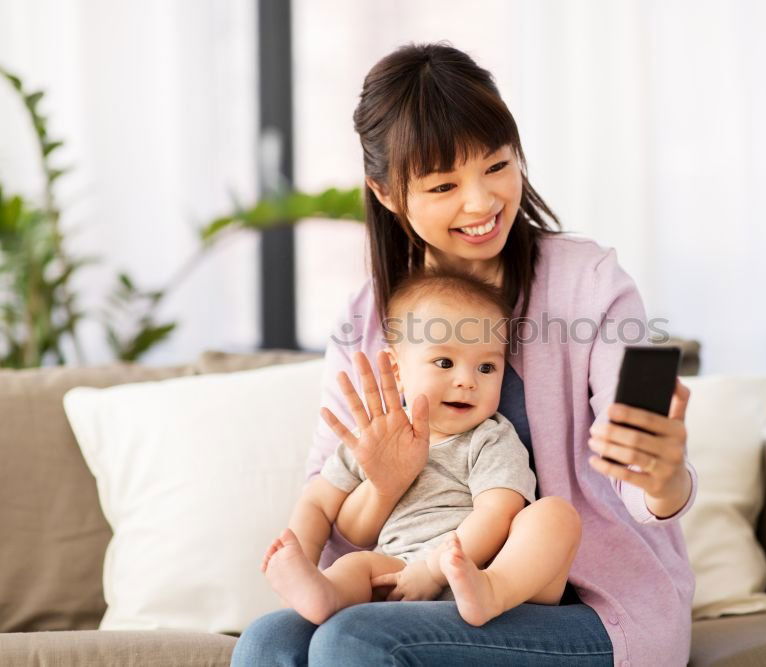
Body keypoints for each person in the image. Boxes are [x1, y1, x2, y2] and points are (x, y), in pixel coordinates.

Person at [232, 41, 697, 667]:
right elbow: (336, 516)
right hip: (414, 581)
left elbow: (638, 477)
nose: (481, 203)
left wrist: (662, 478)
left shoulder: (588, 283)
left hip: (584, 605)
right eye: (445, 184)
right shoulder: (367, 320)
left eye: (497, 167)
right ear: (388, 193)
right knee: (268, 642)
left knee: (355, 642)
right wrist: (384, 483)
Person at [260, 268, 582, 628]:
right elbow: (318, 502)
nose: (467, 381)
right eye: (444, 362)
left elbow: (498, 512)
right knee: (355, 567)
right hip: (400, 572)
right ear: (397, 370)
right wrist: (301, 557)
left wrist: (436, 570)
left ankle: (493, 592)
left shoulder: (488, 438)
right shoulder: (375, 435)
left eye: (487, 367)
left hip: (484, 568)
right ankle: (323, 595)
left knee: (554, 515)